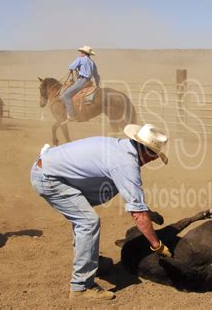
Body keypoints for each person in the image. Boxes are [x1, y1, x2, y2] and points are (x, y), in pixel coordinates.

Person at [30, 124, 170, 300]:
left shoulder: (119, 147)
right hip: (50, 178)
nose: (153, 160)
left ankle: (90, 260)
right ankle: (81, 286)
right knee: (87, 221)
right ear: (148, 153)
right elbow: (137, 214)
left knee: (85, 216)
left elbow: (135, 201)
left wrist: (145, 210)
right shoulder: (125, 163)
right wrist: (157, 246)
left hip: (51, 170)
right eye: (154, 156)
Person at [62, 45, 100, 121]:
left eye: (81, 52)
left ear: (83, 53)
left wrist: (72, 67)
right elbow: (96, 76)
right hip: (89, 82)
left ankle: (71, 115)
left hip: (81, 81)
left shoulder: (80, 59)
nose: (80, 53)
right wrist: (97, 84)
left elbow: (71, 67)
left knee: (66, 95)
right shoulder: (92, 63)